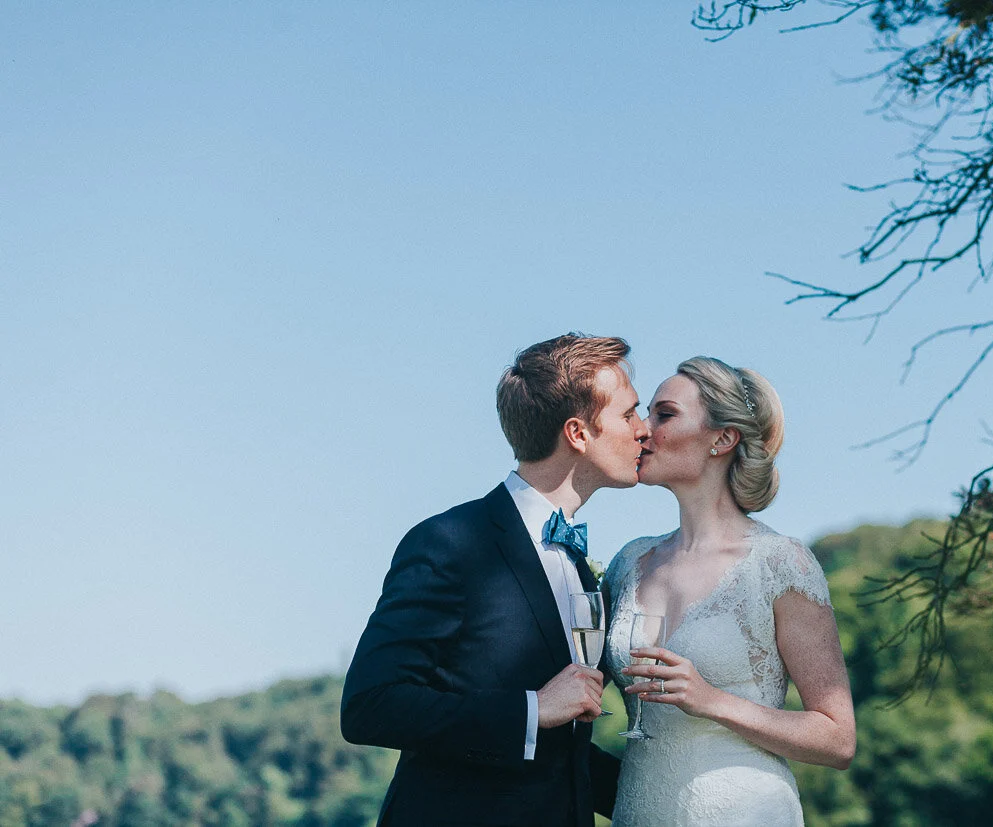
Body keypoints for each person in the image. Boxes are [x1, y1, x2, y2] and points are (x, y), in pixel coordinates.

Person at [341, 333, 649, 827]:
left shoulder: (579, 562)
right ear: (578, 433)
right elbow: (369, 706)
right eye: (630, 413)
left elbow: (558, 756)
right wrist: (532, 709)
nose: (644, 429)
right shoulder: (451, 542)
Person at [603, 356, 856, 827]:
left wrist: (712, 700)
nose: (642, 429)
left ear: (722, 439)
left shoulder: (780, 563)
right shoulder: (627, 564)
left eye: (665, 414)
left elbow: (838, 740)